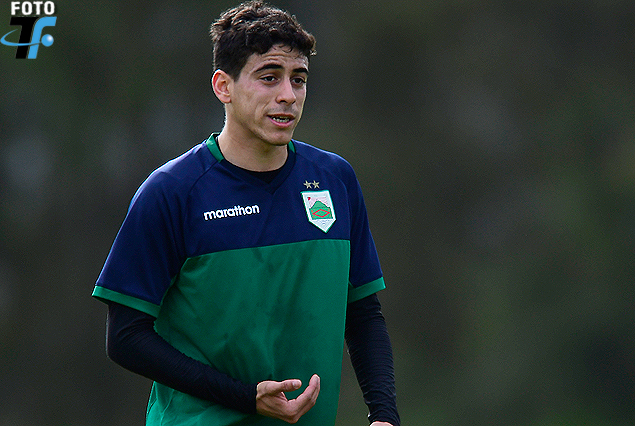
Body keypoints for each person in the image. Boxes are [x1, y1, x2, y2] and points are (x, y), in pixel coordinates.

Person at [92, 1, 400, 425]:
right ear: (224, 86)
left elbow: (363, 312)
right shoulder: (172, 191)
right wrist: (243, 397)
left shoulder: (335, 180)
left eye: (298, 79)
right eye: (269, 77)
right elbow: (125, 337)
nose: (288, 95)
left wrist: (384, 414)